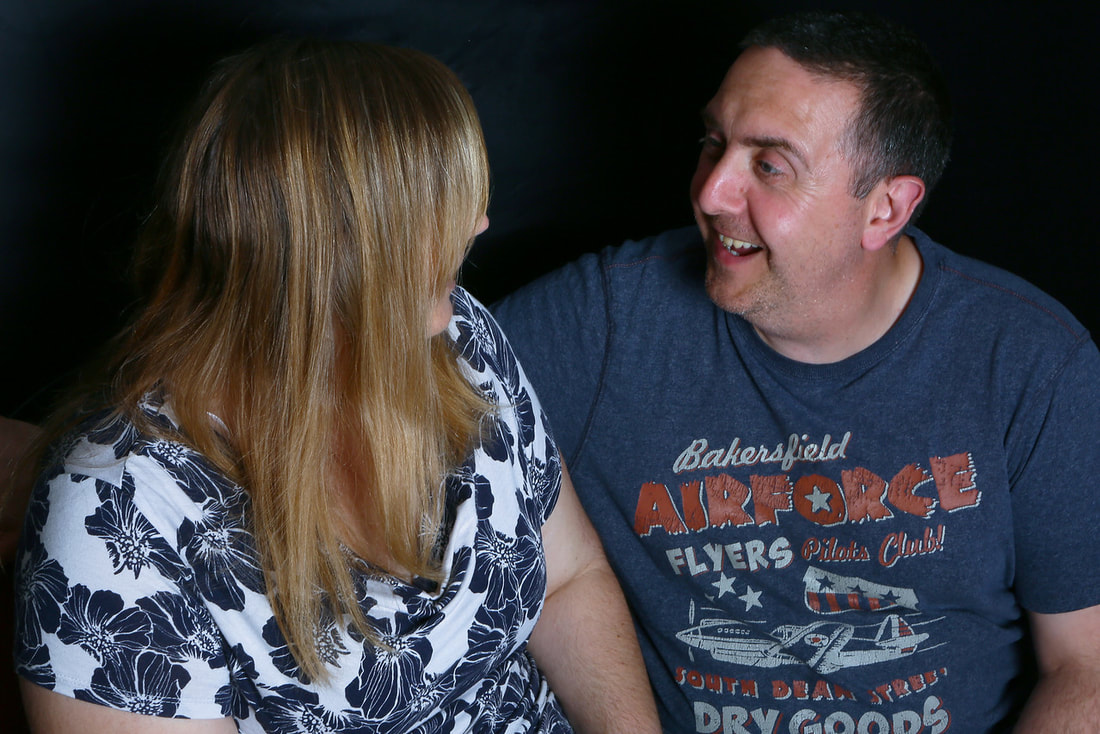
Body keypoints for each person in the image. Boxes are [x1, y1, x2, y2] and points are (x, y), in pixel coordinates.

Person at [13, 39, 660, 734]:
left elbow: (568, 579)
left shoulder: (457, 336)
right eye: (441, 202)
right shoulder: (115, 521)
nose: (479, 224)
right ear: (335, 253)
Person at [492, 10, 1100, 733]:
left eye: (770, 166)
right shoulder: (602, 323)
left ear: (886, 209)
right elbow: (404, 390)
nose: (711, 192)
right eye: (713, 143)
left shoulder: (1032, 363)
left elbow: (1084, 666)